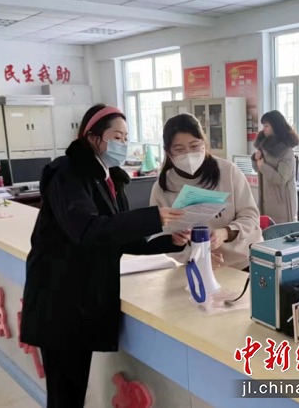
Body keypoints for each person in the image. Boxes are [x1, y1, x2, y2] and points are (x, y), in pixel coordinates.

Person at [19, 104, 188, 408]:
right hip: (59, 300)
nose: (123, 144)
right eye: (116, 137)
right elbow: (87, 230)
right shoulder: (66, 173)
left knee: (74, 390)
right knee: (65, 395)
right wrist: (153, 217)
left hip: (82, 298)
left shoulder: (110, 178)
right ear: (93, 137)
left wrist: (169, 241)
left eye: (126, 137)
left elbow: (118, 237)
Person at [150, 113, 262, 270]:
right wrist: (186, 249)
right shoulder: (162, 187)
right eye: (179, 149)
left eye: (194, 146)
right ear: (168, 152)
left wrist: (225, 233)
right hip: (195, 266)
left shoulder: (228, 171)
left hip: (244, 261)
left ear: (204, 143)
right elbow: (158, 237)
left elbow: (250, 217)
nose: (188, 154)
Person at [251, 110, 299, 224]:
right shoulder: (264, 147)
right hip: (265, 201)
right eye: (263, 126)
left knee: (281, 232)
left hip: (282, 205)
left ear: (275, 127)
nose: (264, 129)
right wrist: (255, 159)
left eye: (267, 126)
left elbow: (281, 179)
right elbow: (257, 168)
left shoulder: (286, 151)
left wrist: (263, 166)